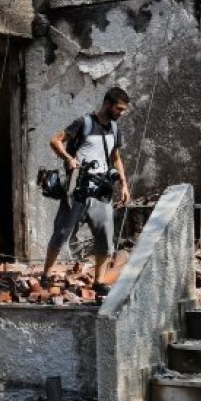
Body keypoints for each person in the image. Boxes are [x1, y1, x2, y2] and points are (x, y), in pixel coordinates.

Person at [43, 86, 131, 289]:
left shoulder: (114, 128)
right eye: (119, 109)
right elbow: (55, 140)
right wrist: (68, 159)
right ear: (107, 104)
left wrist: (124, 185)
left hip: (101, 191)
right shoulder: (84, 123)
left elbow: (116, 158)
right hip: (78, 190)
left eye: (123, 110)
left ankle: (99, 282)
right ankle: (46, 276)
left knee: (105, 238)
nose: (121, 113)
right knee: (61, 233)